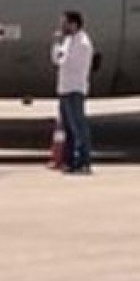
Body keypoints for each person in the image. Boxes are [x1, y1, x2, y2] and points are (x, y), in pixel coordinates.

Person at [52, 10, 96, 175]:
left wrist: (61, 56)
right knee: (68, 129)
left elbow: (68, 62)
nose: (62, 26)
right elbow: (57, 59)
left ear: (74, 24)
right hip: (64, 88)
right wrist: (57, 46)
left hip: (74, 89)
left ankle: (83, 161)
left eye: (65, 23)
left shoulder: (83, 44)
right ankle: (69, 161)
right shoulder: (68, 41)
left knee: (78, 127)